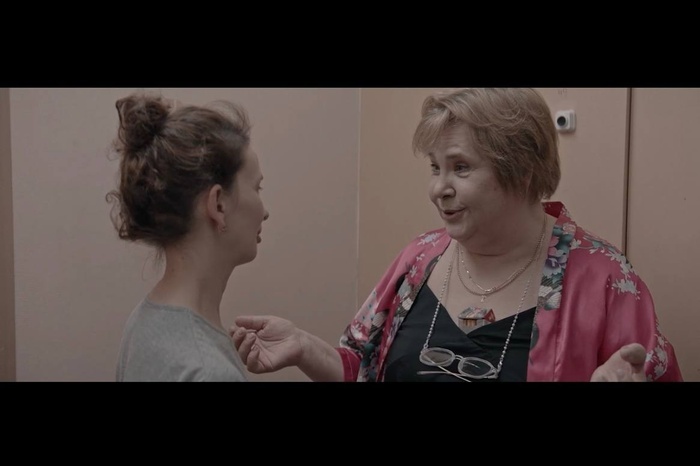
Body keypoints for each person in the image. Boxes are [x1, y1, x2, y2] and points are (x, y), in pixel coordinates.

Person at [230, 87, 683, 382]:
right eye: (435, 167)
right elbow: (359, 367)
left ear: (522, 171)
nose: (438, 189)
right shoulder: (418, 259)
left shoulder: (606, 280)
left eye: (461, 168)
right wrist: (303, 347)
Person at [108, 92, 269, 381]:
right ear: (218, 205)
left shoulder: (145, 320)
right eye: (257, 188)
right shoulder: (208, 371)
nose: (265, 212)